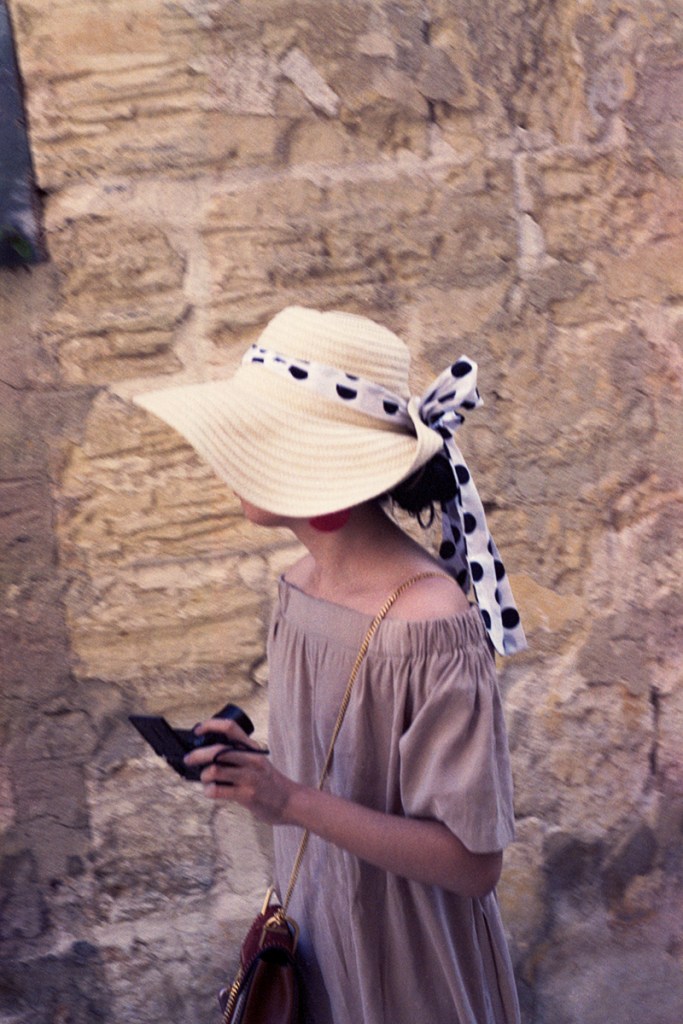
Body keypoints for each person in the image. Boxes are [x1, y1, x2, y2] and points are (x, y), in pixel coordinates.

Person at [133, 306, 526, 1024]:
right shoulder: (300, 589)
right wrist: (258, 773)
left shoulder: (430, 626)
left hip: (408, 968)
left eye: (258, 441)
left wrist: (288, 800)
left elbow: (472, 865)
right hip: (317, 946)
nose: (231, 460)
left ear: (324, 485)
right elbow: (347, 785)